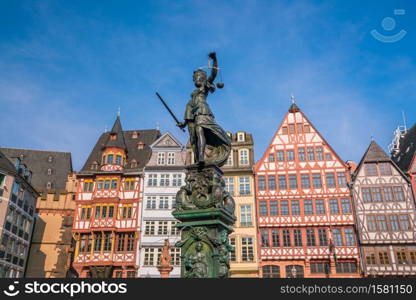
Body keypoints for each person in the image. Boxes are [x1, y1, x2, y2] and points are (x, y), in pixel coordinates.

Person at [177, 52, 231, 167]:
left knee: (200, 129)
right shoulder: (193, 95)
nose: (195, 79)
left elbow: (214, 73)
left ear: (202, 78)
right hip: (194, 114)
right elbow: (189, 108)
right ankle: (199, 157)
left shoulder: (205, 85)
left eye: (198, 77)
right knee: (196, 135)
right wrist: (184, 123)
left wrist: (215, 59)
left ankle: (201, 157)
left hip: (203, 111)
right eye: (194, 78)